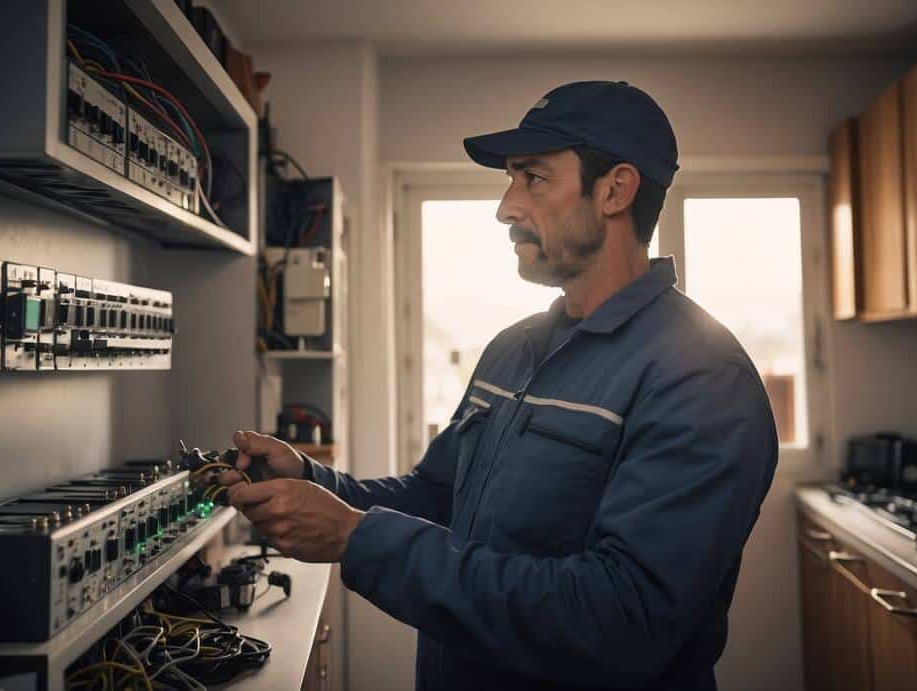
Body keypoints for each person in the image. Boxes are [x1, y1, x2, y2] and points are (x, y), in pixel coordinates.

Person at [219, 80, 778, 691]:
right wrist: (312, 481)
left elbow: (620, 621)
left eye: (533, 178)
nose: (506, 206)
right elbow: (438, 497)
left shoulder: (699, 377)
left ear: (615, 190)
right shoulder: (512, 350)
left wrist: (357, 538)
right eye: (510, 179)